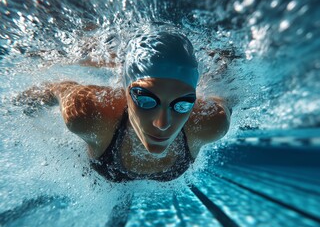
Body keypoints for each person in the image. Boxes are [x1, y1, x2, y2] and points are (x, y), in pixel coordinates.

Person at [16, 28, 231, 182]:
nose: (163, 123)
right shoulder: (89, 116)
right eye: (146, 100)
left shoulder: (211, 123)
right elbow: (60, 87)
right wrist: (36, 98)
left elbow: (228, 99)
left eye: (182, 105)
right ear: (125, 92)